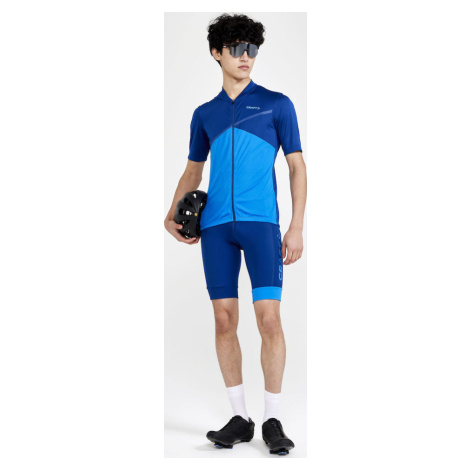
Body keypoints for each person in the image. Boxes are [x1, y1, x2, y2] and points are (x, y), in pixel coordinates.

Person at [164, 13, 307, 455]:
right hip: (215, 229)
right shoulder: (204, 114)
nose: (247, 57)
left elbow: (297, 167)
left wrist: (296, 226)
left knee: (269, 320)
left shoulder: (277, 104)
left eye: (253, 49)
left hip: (261, 225)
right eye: (237, 48)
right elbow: (193, 170)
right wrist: (170, 214)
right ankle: (240, 418)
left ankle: (273, 419)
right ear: (216, 53)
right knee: (224, 320)